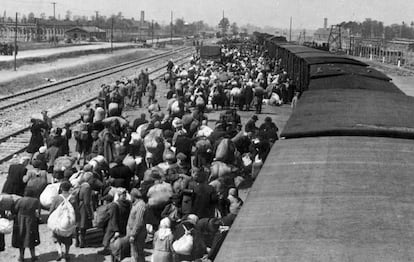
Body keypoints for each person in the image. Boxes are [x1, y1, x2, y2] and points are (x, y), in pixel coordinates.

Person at [49, 181, 77, 261]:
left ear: (61, 188)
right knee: (68, 237)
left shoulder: (57, 198)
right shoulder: (73, 198)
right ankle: (67, 253)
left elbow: (51, 209)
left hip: (58, 221)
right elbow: (76, 211)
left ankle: (60, 252)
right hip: (69, 221)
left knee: (56, 237)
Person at [12, 188, 41, 262]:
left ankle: (21, 257)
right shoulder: (35, 201)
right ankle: (33, 256)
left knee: (21, 237)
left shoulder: (20, 200)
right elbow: (38, 212)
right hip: (31, 220)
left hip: (20, 220)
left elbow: (15, 209)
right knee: (31, 238)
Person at [99, 189, 131, 256]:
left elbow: (114, 218)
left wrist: (116, 230)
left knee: (113, 239)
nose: (124, 196)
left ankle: (114, 251)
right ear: (119, 196)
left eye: (125, 195)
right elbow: (113, 217)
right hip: (117, 225)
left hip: (118, 225)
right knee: (111, 239)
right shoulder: (116, 205)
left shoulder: (126, 204)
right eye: (123, 195)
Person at [126, 188, 147, 262]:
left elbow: (138, 222)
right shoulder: (135, 204)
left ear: (133, 196)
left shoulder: (141, 205)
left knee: (138, 253)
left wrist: (133, 234)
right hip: (134, 233)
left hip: (138, 234)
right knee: (134, 253)